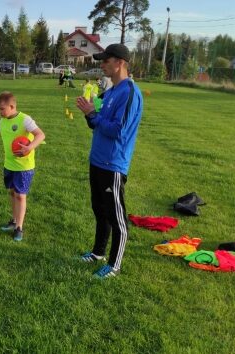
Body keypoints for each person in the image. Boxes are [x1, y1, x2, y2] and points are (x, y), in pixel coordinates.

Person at [75, 43, 143, 279]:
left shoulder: (129, 92)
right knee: (100, 211)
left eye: (106, 61)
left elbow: (119, 131)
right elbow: (95, 124)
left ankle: (114, 264)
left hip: (113, 164)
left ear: (120, 63)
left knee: (117, 217)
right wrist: (89, 113)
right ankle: (97, 253)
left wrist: (93, 114)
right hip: (97, 160)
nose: (102, 64)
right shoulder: (110, 92)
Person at [0, 92, 45, 242]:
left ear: (12, 106)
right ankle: (14, 221)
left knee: (21, 195)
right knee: (12, 192)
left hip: (24, 166)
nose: (0, 112)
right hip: (9, 165)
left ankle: (19, 227)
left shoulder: (25, 119)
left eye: (2, 109)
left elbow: (40, 135)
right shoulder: (3, 122)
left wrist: (30, 148)